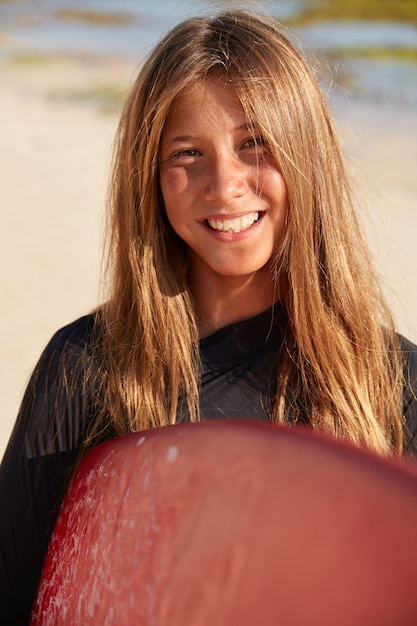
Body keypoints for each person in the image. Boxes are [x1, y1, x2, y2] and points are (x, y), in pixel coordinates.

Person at [1, 8, 416, 624]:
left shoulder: (392, 382)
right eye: (187, 152)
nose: (224, 186)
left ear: (308, 156)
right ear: (150, 177)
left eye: (255, 144)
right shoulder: (86, 368)